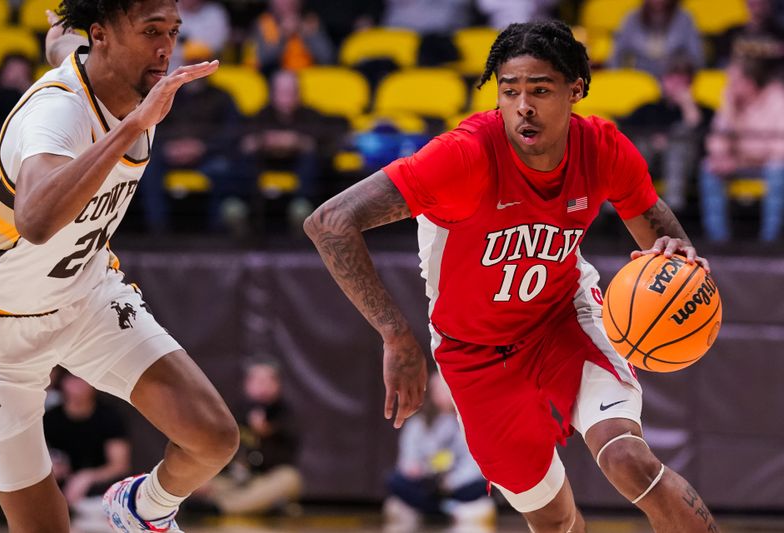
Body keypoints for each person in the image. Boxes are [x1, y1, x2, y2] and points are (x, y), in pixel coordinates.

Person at [305, 20, 720, 533]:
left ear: (576, 91)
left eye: (540, 90)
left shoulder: (603, 148)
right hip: (473, 353)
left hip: (563, 318)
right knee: (553, 521)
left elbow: (655, 223)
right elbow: (329, 222)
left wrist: (677, 256)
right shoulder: (463, 156)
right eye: (509, 90)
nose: (523, 105)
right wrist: (395, 334)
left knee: (627, 460)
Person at [0, 3, 240, 532]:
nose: (166, 47)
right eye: (151, 32)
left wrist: (59, 28)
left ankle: (142, 509)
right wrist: (132, 128)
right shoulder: (58, 111)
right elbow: (34, 220)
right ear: (102, 36)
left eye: (172, 31)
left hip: (85, 298)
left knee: (213, 438)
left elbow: (62, 45)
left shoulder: (109, 69)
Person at [141, 40, 241, 233]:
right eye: (191, 62)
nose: (195, 69)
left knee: (223, 168)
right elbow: (152, 126)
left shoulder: (222, 97)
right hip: (170, 153)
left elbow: (231, 133)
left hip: (208, 154)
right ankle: (157, 229)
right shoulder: (169, 94)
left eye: (200, 62)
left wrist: (202, 147)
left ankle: (216, 230)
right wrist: (169, 148)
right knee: (147, 167)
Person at [237, 69, 348, 231]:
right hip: (265, 165)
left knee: (313, 160)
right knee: (245, 160)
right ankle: (242, 209)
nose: (287, 97)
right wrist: (264, 141)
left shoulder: (311, 115)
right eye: (282, 92)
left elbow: (327, 145)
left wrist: (299, 142)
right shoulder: (261, 115)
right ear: (272, 93)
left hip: (300, 169)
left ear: (299, 93)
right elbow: (243, 143)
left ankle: (302, 209)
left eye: (291, 92)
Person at [383, 373, 494, 531]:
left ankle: (442, 507)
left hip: (456, 485)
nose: (443, 394)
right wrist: (417, 470)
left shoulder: (471, 422)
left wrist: (451, 481)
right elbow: (407, 459)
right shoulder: (418, 423)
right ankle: (439, 508)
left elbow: (474, 465)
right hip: (426, 483)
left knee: (482, 485)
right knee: (394, 480)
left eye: (446, 389)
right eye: (439, 389)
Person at [198, 357, 302, 515]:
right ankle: (257, 507)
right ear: (247, 383)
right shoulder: (233, 412)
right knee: (195, 480)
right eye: (257, 380)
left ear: (277, 384)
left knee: (290, 479)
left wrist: (265, 435)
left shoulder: (286, 415)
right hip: (232, 481)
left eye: (268, 380)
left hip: (263, 481)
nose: (263, 386)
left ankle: (223, 508)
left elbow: (285, 459)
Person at [698, 57, 784, 242]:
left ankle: (769, 241)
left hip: (768, 164)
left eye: (734, 80)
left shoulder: (777, 99)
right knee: (709, 167)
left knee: (777, 169)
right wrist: (729, 112)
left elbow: (779, 149)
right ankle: (718, 241)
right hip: (739, 163)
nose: (730, 85)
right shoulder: (730, 101)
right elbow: (714, 144)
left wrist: (740, 159)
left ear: (749, 82)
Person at [618, 56, 713, 211]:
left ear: (691, 84)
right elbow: (625, 130)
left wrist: (688, 106)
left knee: (677, 148)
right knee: (637, 150)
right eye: (671, 79)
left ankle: (672, 213)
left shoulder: (704, 110)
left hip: (687, 165)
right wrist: (653, 140)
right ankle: (616, 210)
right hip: (649, 162)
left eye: (682, 82)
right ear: (662, 81)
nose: (676, 86)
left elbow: (704, 134)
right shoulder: (649, 108)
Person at [45, 372, 131, 513]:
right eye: (72, 380)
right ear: (63, 383)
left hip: (99, 485)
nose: (78, 386)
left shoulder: (109, 417)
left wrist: (87, 477)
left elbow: (119, 465)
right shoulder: (50, 418)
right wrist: (50, 467)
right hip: (60, 485)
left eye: (82, 380)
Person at [609, 0, 703, 79]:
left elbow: (697, 57)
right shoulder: (632, 18)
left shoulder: (685, 19)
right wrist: (616, 79)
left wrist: (682, 66)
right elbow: (616, 54)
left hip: (674, 81)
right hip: (640, 79)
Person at [250, 0, 334, 76]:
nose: (288, 2)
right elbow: (262, 62)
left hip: (310, 80)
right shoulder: (264, 24)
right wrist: (283, 36)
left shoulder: (310, 22)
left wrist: (307, 34)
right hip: (277, 82)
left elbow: (328, 58)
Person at [0, 54, 35, 156]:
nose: (16, 76)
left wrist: (27, 89)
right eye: (12, 70)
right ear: (2, 72)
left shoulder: (33, 97)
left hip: (19, 141)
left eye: (21, 72)